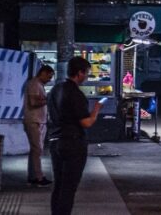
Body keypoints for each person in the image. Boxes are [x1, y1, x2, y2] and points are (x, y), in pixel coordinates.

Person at [47, 57, 103, 215]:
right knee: (68, 187)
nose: (87, 77)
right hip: (73, 143)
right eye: (87, 73)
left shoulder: (55, 90)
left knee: (58, 185)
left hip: (54, 141)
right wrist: (97, 109)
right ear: (80, 72)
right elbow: (86, 122)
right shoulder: (75, 94)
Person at [23, 64, 54, 187]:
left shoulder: (39, 85)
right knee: (37, 150)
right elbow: (33, 102)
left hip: (39, 121)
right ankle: (38, 177)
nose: (49, 80)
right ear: (43, 73)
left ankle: (33, 176)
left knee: (36, 150)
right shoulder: (34, 84)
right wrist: (48, 99)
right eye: (49, 76)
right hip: (34, 121)